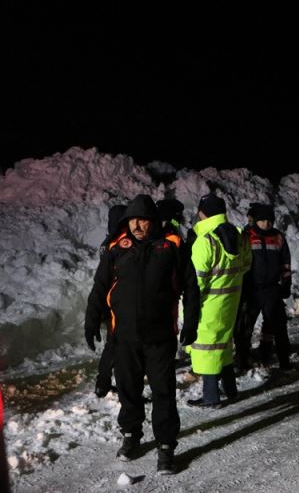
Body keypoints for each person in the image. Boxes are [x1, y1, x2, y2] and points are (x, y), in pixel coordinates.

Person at [84, 194, 200, 475]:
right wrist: (91, 320)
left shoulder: (171, 245)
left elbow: (190, 286)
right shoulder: (117, 247)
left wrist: (191, 322)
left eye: (143, 220)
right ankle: (131, 435)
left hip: (160, 337)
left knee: (163, 392)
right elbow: (100, 286)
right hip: (124, 337)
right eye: (132, 220)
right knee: (128, 389)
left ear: (153, 222)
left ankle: (166, 447)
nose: (136, 226)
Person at [186, 194, 251, 408]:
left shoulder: (206, 241)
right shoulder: (240, 236)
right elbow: (246, 265)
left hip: (209, 304)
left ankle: (211, 397)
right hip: (231, 301)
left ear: (202, 213)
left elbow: (196, 282)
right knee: (223, 343)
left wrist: (189, 306)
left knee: (207, 347)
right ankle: (230, 390)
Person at [235, 203, 293, 371]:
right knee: (245, 327)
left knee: (278, 326)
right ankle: (242, 359)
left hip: (271, 289)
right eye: (262, 220)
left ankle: (281, 359)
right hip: (251, 290)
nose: (266, 223)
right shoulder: (246, 236)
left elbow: (285, 262)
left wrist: (286, 283)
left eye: (269, 220)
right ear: (256, 220)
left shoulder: (278, 237)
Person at [94, 203, 128, 398]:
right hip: (117, 300)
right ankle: (113, 385)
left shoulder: (107, 242)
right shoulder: (120, 243)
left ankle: (103, 382)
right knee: (119, 344)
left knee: (113, 343)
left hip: (108, 300)